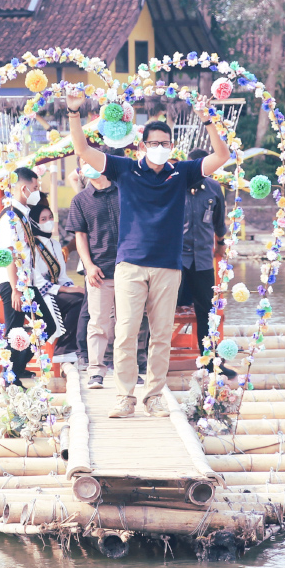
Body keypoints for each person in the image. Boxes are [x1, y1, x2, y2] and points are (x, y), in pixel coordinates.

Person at [66, 87, 230, 419]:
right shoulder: (124, 169)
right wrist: (74, 112)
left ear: (172, 148)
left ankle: (153, 395)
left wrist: (208, 120)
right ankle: (124, 396)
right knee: (125, 332)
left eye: (165, 145)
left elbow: (222, 156)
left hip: (168, 267)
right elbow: (82, 149)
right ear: (143, 145)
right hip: (130, 265)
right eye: (153, 144)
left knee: (160, 335)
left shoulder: (180, 173)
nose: (159, 149)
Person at [65, 159, 120, 389]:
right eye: (84, 163)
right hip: (99, 269)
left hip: (128, 267)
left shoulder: (124, 192)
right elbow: (81, 236)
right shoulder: (80, 200)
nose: (88, 166)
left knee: (128, 323)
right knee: (98, 322)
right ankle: (96, 371)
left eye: (93, 161)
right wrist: (88, 265)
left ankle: (126, 369)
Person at [0, 167, 46, 384]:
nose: (38, 192)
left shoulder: (23, 214)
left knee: (45, 326)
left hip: (25, 283)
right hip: (12, 282)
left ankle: (19, 367)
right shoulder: (10, 217)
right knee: (15, 330)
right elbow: (8, 254)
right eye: (35, 188)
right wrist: (15, 288)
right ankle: (10, 377)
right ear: (24, 188)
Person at [178, 148, 227, 352]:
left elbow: (219, 221)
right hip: (176, 259)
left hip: (203, 259)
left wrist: (221, 244)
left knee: (206, 310)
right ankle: (154, 358)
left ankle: (208, 358)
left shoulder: (214, 188)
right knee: (166, 306)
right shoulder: (175, 186)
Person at [29, 200, 83, 363]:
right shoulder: (31, 246)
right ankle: (63, 348)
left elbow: (63, 277)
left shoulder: (55, 244)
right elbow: (37, 281)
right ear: (35, 223)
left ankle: (78, 347)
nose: (48, 222)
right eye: (43, 219)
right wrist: (69, 291)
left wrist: (74, 287)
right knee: (76, 300)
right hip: (40, 295)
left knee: (84, 297)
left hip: (55, 290)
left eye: (50, 218)